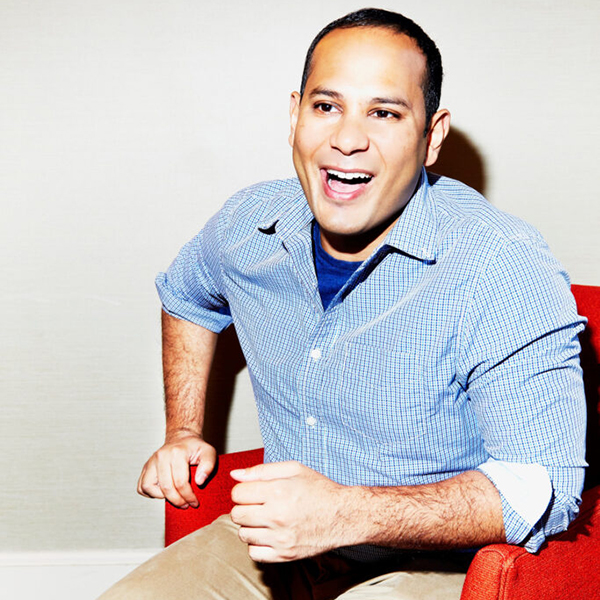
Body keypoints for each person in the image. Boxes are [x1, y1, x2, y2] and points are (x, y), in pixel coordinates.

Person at [99, 8, 586, 600]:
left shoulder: (500, 264)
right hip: (278, 545)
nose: (348, 139)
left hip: (442, 558)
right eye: (326, 106)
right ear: (294, 116)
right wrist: (183, 431)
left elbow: (545, 485)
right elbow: (185, 296)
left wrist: (343, 513)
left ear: (432, 137)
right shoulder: (248, 224)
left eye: (384, 113)